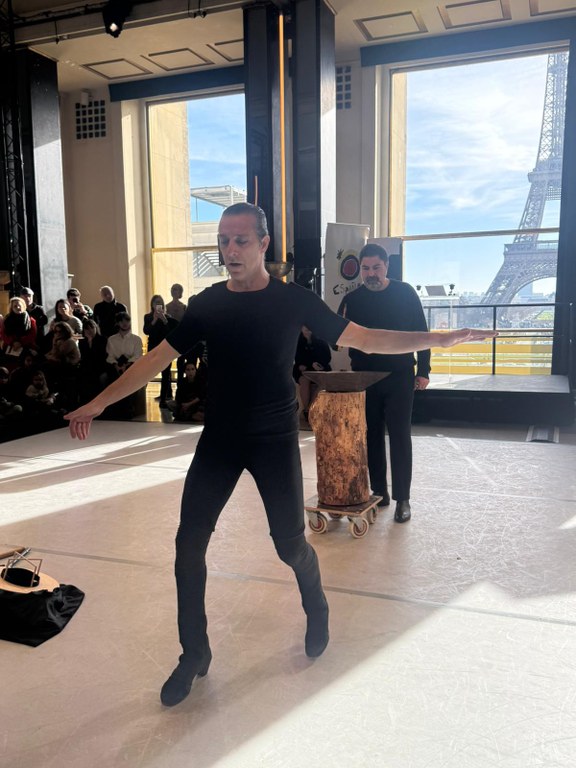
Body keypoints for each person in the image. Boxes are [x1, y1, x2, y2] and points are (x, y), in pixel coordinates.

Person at [65, 203, 496, 708]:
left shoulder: (294, 300)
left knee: (290, 545)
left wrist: (439, 340)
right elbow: (154, 361)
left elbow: (368, 339)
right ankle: (194, 652)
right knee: (188, 545)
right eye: (224, 241)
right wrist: (96, 404)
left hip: (272, 440)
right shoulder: (207, 304)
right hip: (221, 440)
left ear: (264, 243)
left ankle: (317, 606)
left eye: (241, 240)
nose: (230, 250)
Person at [338, 243, 431, 524]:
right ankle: (380, 492)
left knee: (400, 436)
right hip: (365, 377)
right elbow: (339, 336)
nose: (371, 274)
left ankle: (404, 499)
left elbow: (422, 334)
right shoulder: (352, 299)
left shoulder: (405, 293)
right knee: (371, 436)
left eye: (376, 268)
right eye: (365, 269)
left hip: (400, 375)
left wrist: (424, 370)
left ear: (386, 266)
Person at [143, 295, 177, 407]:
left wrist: (164, 320)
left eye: (160, 302)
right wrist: (154, 320)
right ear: (152, 305)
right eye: (156, 302)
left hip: (165, 348)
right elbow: (146, 331)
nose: (158, 304)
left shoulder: (167, 317)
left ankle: (163, 399)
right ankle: (141, 396)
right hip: (153, 347)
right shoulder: (147, 317)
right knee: (147, 372)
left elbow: (171, 333)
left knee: (166, 374)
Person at [293, 325, 332, 422]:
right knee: (304, 380)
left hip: (319, 370)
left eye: (309, 328)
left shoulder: (321, 339)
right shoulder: (297, 341)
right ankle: (307, 409)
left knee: (322, 383)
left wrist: (318, 364)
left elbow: (327, 357)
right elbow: (297, 358)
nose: (307, 330)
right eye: (305, 328)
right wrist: (310, 363)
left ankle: (309, 409)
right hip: (304, 370)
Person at [105, 312, 143, 380]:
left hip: (132, 366)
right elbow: (110, 356)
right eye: (121, 321)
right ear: (117, 323)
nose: (124, 323)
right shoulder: (111, 339)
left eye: (127, 320)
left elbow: (138, 355)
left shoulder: (136, 339)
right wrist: (116, 366)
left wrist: (127, 365)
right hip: (115, 367)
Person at [1, 297, 37, 363]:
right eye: (15, 306)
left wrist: (21, 342)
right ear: (11, 308)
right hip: (10, 348)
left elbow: (32, 334)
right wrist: (13, 342)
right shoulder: (6, 320)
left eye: (19, 305)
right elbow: (3, 334)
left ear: (23, 306)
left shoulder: (30, 320)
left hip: (26, 347)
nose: (18, 307)